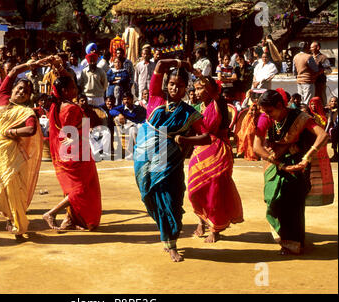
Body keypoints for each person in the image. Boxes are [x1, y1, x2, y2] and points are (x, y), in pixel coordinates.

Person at [134, 58, 210, 262]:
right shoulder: (156, 99)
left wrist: (186, 139)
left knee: (173, 202)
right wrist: (180, 62)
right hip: (148, 162)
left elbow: (207, 137)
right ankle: (169, 242)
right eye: (172, 84)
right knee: (155, 200)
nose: (175, 88)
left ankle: (171, 242)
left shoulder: (190, 113)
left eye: (180, 85)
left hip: (171, 165)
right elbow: (159, 66)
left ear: (186, 88)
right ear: (166, 84)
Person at [253, 90, 329, 255]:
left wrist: (307, 157)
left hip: (297, 164)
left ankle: (293, 243)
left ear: (280, 105)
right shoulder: (265, 117)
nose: (268, 115)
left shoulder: (299, 117)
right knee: (272, 198)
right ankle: (286, 238)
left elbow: (323, 135)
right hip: (277, 163)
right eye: (265, 112)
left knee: (293, 204)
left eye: (270, 111)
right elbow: (256, 147)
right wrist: (280, 164)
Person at [0, 57, 47, 238]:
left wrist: (11, 132)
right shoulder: (2, 96)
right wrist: (30, 65)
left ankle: (15, 220)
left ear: (28, 97)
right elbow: (12, 73)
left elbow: (31, 129)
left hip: (12, 153)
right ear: (12, 90)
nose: (21, 92)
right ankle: (9, 216)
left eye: (26, 91)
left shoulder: (27, 112)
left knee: (14, 187)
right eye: (19, 88)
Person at [187, 76, 244, 243]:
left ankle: (215, 228)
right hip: (200, 150)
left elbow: (216, 96)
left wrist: (209, 84)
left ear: (210, 90)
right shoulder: (197, 107)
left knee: (215, 190)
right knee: (195, 190)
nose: (197, 92)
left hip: (218, 149)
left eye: (200, 88)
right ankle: (201, 220)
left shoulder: (219, 104)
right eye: (196, 89)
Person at [43, 73, 102, 231]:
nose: (76, 90)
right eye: (73, 88)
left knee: (72, 187)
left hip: (68, 152)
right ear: (65, 90)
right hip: (77, 153)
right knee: (81, 188)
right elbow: (70, 133)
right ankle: (52, 213)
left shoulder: (56, 106)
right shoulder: (71, 108)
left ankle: (70, 219)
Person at [305, 97, 334, 206]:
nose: (313, 106)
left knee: (322, 168)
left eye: (315, 104)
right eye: (311, 104)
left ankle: (323, 195)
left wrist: (329, 122)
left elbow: (326, 129)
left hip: (323, 143)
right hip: (314, 142)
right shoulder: (310, 116)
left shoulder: (322, 116)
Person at [110, 92, 146, 159]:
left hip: (138, 127)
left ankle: (134, 153)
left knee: (133, 130)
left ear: (132, 100)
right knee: (117, 118)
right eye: (124, 99)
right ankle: (134, 152)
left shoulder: (139, 108)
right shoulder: (121, 108)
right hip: (125, 128)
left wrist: (142, 124)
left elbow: (145, 117)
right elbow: (111, 111)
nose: (126, 101)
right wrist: (119, 114)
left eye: (128, 99)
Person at [310, 41, 332, 107]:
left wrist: (321, 71)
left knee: (321, 99)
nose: (310, 49)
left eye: (312, 47)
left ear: (318, 48)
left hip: (320, 82)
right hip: (311, 82)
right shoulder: (309, 57)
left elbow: (329, 70)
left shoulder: (323, 58)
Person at [326, 96, 338, 162]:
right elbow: (329, 121)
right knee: (334, 144)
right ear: (329, 102)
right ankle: (335, 155)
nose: (334, 102)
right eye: (332, 101)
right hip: (333, 130)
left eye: (335, 101)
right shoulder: (328, 110)